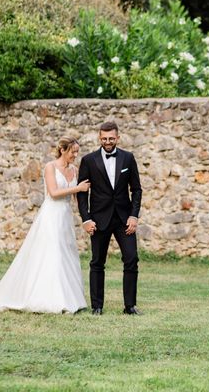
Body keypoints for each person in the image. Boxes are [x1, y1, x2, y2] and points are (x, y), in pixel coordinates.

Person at [0, 137, 90, 314]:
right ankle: (52, 300)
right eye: (73, 151)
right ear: (63, 150)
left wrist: (87, 211)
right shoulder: (50, 167)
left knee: (66, 253)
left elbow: (75, 197)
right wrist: (77, 189)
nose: (75, 155)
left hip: (65, 216)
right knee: (52, 253)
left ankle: (70, 298)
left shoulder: (74, 169)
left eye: (77, 151)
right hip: (51, 215)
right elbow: (54, 193)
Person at [77, 121, 142, 316]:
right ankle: (97, 306)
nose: (107, 142)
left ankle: (129, 306)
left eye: (111, 138)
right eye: (104, 138)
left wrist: (134, 215)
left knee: (131, 259)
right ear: (99, 138)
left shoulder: (128, 158)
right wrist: (86, 219)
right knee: (97, 262)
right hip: (99, 220)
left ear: (117, 138)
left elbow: (136, 189)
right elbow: (82, 193)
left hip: (124, 220)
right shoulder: (88, 160)